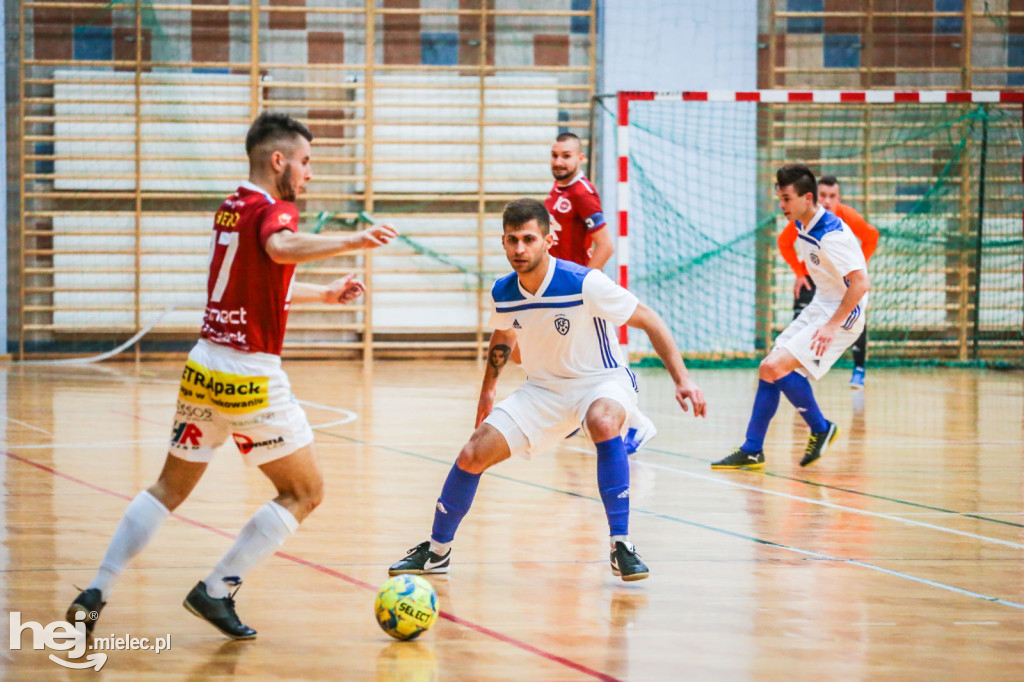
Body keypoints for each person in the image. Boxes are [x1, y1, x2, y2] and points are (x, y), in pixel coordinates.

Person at [66, 113, 397, 639]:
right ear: (278, 160)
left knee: (167, 488)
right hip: (250, 378)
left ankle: (96, 590)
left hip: (202, 368)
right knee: (304, 493)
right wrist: (354, 241)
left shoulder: (232, 207)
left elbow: (261, 280)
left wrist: (325, 294)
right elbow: (279, 248)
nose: (309, 175)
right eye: (306, 163)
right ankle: (216, 589)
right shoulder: (275, 209)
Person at [388, 198, 706, 581]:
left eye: (528, 239)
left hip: (602, 382)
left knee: (603, 422)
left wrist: (683, 379)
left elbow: (650, 319)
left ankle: (621, 544)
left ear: (548, 240)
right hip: (542, 391)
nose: (520, 249)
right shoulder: (505, 291)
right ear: (502, 242)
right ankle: (437, 552)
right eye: (511, 240)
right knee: (472, 453)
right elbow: (503, 336)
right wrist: (488, 391)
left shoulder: (585, 282)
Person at [712, 164, 869, 471]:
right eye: (779, 198)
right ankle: (753, 449)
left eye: (786, 199)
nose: (781, 205)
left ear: (807, 198)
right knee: (767, 369)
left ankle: (821, 428)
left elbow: (861, 283)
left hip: (843, 315)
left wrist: (831, 326)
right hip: (822, 304)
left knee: (775, 366)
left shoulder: (831, 236)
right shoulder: (803, 223)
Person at [777, 174, 878, 389]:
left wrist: (854, 266)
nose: (827, 201)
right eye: (823, 195)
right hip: (814, 277)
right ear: (813, 197)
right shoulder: (802, 219)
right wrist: (799, 273)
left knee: (853, 314)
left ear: (839, 197)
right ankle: (802, 363)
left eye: (832, 196)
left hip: (843, 280)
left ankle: (858, 369)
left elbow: (872, 237)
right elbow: (783, 242)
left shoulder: (846, 217)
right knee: (799, 318)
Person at [545, 132, 614, 270]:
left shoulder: (582, 193)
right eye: (554, 155)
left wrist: (584, 282)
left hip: (571, 281)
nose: (558, 162)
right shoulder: (558, 185)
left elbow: (606, 246)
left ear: (580, 158)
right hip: (552, 278)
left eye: (566, 156)